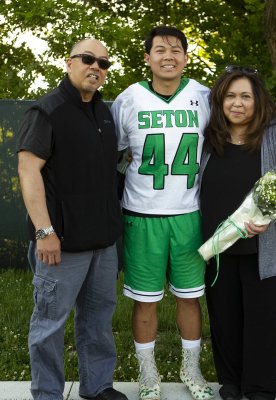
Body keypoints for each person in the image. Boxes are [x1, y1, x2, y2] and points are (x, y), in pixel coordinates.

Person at [17, 38, 128, 400]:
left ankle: (97, 387)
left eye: (104, 63)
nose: (96, 67)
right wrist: (44, 231)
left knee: (98, 322)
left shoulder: (105, 113)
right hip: (60, 244)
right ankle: (47, 393)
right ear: (69, 62)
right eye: (88, 59)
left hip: (102, 242)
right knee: (49, 324)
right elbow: (28, 171)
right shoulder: (47, 110)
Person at [111, 26, 214, 400]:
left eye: (176, 49)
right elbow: (117, 153)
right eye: (159, 49)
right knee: (146, 299)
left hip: (189, 214)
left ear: (186, 57)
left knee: (190, 297)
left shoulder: (204, 97)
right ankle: (148, 374)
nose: (168, 55)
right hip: (142, 214)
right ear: (147, 58)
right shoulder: (128, 99)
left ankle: (192, 369)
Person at [199, 65, 276, 400]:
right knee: (224, 316)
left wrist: (270, 218)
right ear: (219, 101)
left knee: (262, 318)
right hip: (218, 246)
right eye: (230, 96)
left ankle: (259, 388)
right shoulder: (209, 136)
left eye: (245, 96)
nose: (237, 103)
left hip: (265, 245)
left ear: (258, 100)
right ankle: (231, 382)